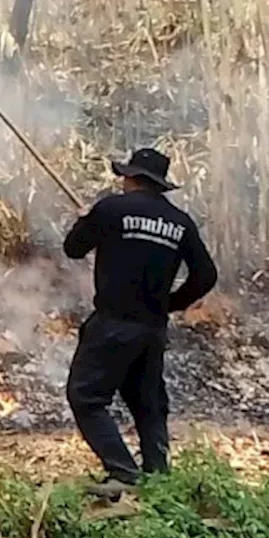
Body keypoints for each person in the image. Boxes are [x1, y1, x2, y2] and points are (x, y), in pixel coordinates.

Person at [62, 147, 218, 497]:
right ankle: (159, 478)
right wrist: (171, 303)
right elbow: (206, 275)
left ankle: (124, 473)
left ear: (131, 177)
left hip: (113, 323)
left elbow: (73, 248)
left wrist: (86, 221)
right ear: (160, 185)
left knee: (86, 396)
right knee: (148, 402)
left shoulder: (111, 209)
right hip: (152, 328)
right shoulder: (180, 223)